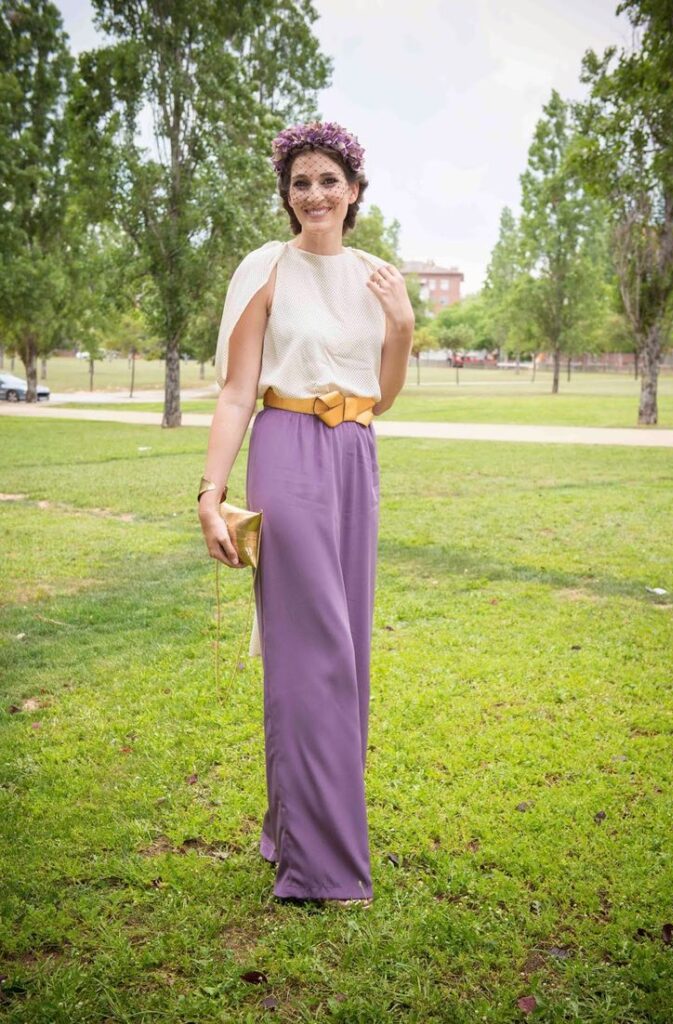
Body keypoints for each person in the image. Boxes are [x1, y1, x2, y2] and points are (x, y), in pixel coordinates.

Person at [198, 121, 414, 906]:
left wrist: (403, 326)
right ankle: (319, 868)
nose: (315, 194)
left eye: (329, 180)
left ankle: (292, 826)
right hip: (286, 447)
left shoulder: (377, 277)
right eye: (301, 182)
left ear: (354, 191)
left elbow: (382, 396)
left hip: (356, 456)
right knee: (309, 648)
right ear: (287, 196)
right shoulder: (265, 269)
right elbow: (233, 391)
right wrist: (211, 493)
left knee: (345, 652)